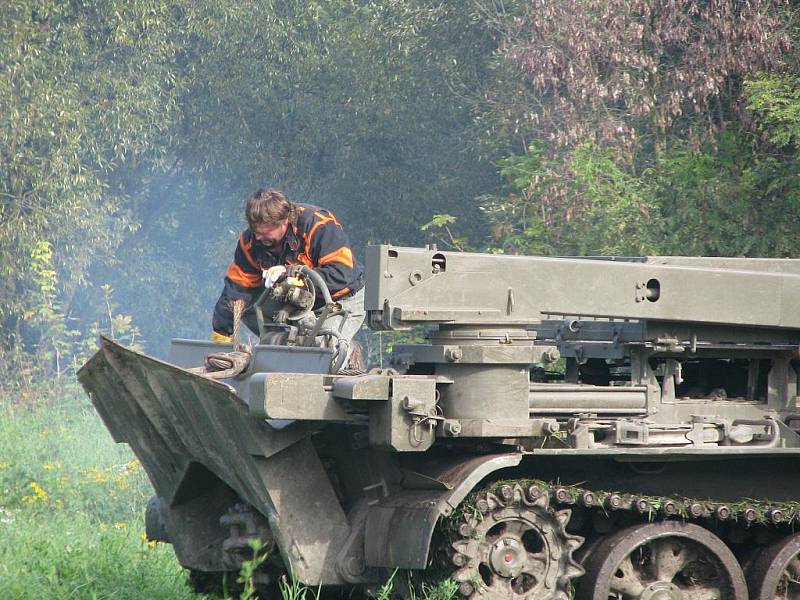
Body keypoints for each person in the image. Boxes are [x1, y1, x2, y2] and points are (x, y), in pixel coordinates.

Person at [212, 188, 365, 350]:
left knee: (325, 351)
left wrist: (292, 277)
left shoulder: (318, 224)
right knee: (247, 308)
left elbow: (341, 274)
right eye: (256, 231)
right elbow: (236, 289)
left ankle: (346, 352)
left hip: (340, 300)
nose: (259, 237)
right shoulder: (251, 241)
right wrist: (220, 335)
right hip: (293, 304)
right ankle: (277, 346)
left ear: (284, 221)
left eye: (266, 231)